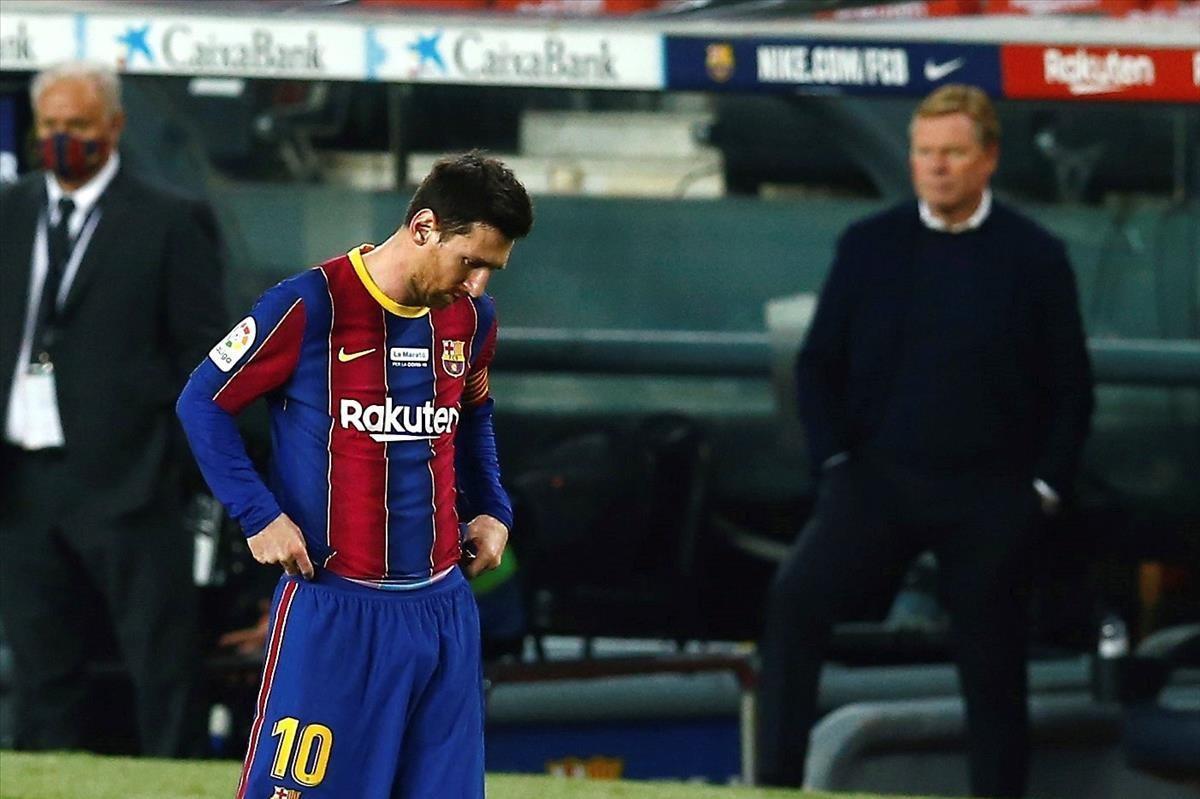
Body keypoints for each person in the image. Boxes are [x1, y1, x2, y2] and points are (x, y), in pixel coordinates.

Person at [756, 84, 1094, 798]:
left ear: (988, 159)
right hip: (877, 480)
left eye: (952, 152)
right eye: (923, 152)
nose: (936, 166)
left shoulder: (1035, 257)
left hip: (991, 492)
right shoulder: (869, 245)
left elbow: (1072, 389)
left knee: (994, 660)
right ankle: (775, 786)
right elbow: (817, 365)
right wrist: (836, 465)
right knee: (795, 599)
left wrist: (1042, 492)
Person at [176, 151, 533, 799]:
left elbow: (475, 412)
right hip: (335, 605)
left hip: (442, 607)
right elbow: (202, 400)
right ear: (424, 227)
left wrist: (493, 506)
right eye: (471, 261)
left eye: (492, 269)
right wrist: (257, 512)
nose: (478, 283)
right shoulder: (310, 304)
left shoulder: (472, 321)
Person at [0, 60, 226, 755]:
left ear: (114, 126)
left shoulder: (169, 220)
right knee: (40, 673)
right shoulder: (9, 213)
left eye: (79, 125)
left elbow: (203, 357)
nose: (63, 138)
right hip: (22, 485)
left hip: (130, 484)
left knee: (162, 670)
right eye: (51, 126)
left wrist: (182, 475)